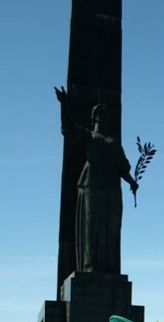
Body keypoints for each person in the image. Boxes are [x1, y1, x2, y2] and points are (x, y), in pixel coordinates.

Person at [55, 87, 138, 274]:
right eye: (100, 115)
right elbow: (68, 128)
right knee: (91, 229)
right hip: (91, 186)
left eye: (106, 115)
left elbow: (122, 168)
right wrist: (64, 106)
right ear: (94, 118)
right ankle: (89, 266)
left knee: (111, 230)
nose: (104, 118)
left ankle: (109, 268)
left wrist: (132, 181)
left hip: (111, 189)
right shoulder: (89, 137)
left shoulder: (114, 143)